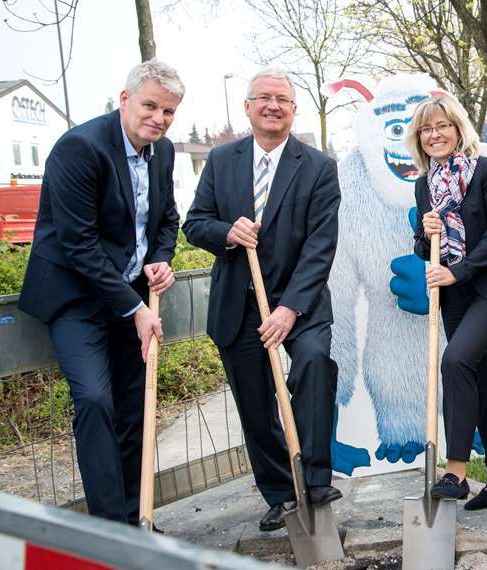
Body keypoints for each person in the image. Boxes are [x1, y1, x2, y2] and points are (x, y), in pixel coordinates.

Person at [19, 61, 184, 526]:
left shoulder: (164, 152)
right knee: (94, 400)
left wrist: (162, 258)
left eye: (169, 111)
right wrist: (134, 308)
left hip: (129, 293)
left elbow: (167, 218)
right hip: (76, 298)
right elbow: (78, 243)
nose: (159, 118)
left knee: (134, 407)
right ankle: (110, 529)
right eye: (150, 105)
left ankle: (137, 516)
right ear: (125, 99)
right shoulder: (80, 148)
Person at [182, 67, 342, 532]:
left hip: (301, 301)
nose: (273, 106)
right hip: (239, 302)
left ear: (294, 109)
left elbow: (320, 245)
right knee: (255, 401)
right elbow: (195, 222)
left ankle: (314, 479)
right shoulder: (221, 160)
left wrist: (290, 308)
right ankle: (280, 491)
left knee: (313, 366)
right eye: (264, 98)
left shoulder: (317, 166)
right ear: (247, 107)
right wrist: (226, 233)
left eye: (283, 99)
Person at [406, 94, 487, 510]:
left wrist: (457, 271)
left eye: (441, 125)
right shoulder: (423, 185)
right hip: (454, 295)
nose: (434, 134)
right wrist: (426, 233)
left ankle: (456, 471)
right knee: (482, 380)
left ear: (458, 128)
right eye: (426, 129)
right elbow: (425, 248)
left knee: (456, 361)